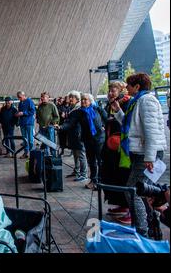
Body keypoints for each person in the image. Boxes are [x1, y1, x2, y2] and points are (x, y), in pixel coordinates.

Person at [111, 73, 167, 235]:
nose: (126, 88)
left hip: (148, 154)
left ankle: (141, 229)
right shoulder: (138, 101)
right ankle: (150, 224)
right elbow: (132, 127)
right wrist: (119, 112)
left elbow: (151, 131)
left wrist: (150, 157)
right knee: (141, 191)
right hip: (141, 153)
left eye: (129, 85)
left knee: (133, 190)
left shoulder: (146, 101)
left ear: (137, 87)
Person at [59, 93, 106, 189]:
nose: (83, 101)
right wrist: (61, 127)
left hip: (99, 138)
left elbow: (106, 118)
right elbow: (70, 123)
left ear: (90, 101)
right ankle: (93, 180)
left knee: (100, 161)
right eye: (83, 99)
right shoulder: (78, 112)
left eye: (86, 99)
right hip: (88, 139)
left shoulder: (97, 109)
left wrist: (104, 126)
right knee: (92, 161)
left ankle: (101, 181)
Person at [100, 81, 131, 218]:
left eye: (114, 90)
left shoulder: (125, 102)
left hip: (121, 147)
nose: (110, 93)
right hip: (110, 146)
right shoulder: (110, 105)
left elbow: (125, 122)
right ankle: (120, 204)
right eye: (110, 90)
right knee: (111, 175)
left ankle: (128, 207)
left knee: (122, 176)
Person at [62, 91, 88, 182]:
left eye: (71, 97)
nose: (70, 99)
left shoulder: (79, 108)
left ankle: (84, 174)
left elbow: (73, 122)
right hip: (73, 134)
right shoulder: (72, 108)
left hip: (78, 134)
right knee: (75, 154)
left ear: (77, 99)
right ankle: (76, 171)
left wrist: (62, 126)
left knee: (81, 154)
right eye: (70, 97)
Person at [15, 91, 36, 159]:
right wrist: (17, 114)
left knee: (30, 139)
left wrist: (23, 113)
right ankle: (26, 152)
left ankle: (32, 153)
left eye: (20, 97)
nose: (19, 99)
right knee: (24, 139)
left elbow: (32, 111)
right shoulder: (20, 103)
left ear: (24, 95)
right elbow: (20, 111)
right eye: (18, 98)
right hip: (22, 123)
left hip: (29, 123)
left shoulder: (29, 101)